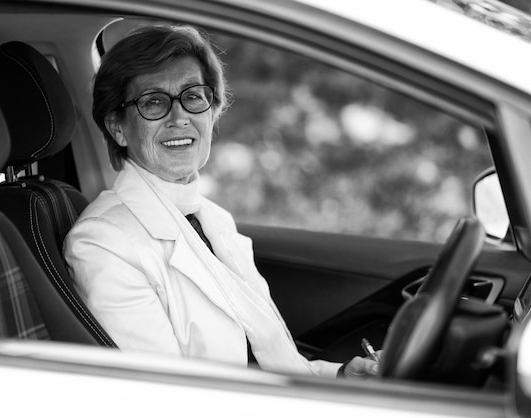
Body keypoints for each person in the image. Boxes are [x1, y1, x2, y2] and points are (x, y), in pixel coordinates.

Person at [64, 24, 378, 379]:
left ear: (211, 113)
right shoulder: (103, 243)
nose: (179, 117)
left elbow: (267, 360)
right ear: (118, 127)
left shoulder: (211, 219)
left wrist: (339, 377)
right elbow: (168, 397)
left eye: (193, 96)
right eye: (153, 102)